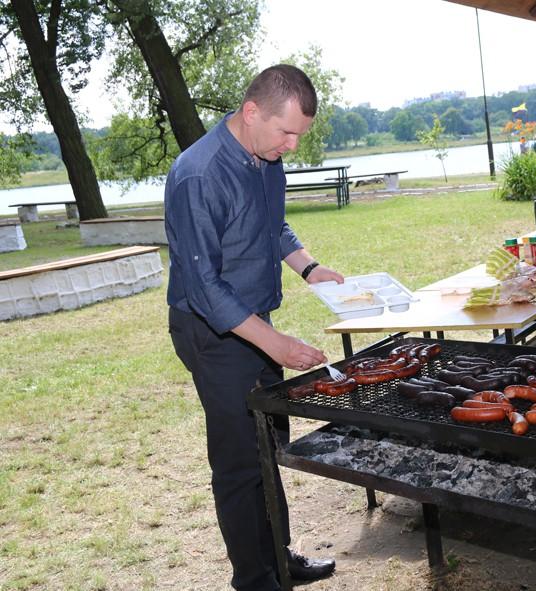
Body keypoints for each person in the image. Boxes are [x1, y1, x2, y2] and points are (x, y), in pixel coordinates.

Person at [165, 64, 341, 590]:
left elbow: (273, 224)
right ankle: (254, 579)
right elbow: (204, 288)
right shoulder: (199, 174)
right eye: (286, 132)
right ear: (251, 112)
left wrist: (310, 267)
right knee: (241, 460)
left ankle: (278, 557)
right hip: (213, 333)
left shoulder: (266, 158)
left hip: (254, 323)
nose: (292, 144)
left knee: (268, 442)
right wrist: (277, 344)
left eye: (299, 135)